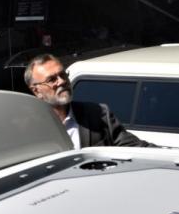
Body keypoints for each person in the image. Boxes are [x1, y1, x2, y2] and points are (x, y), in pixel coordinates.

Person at [25, 53, 155, 148]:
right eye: (52, 80)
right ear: (37, 91)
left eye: (63, 75)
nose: (62, 81)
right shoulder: (26, 129)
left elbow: (134, 147)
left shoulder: (98, 114)